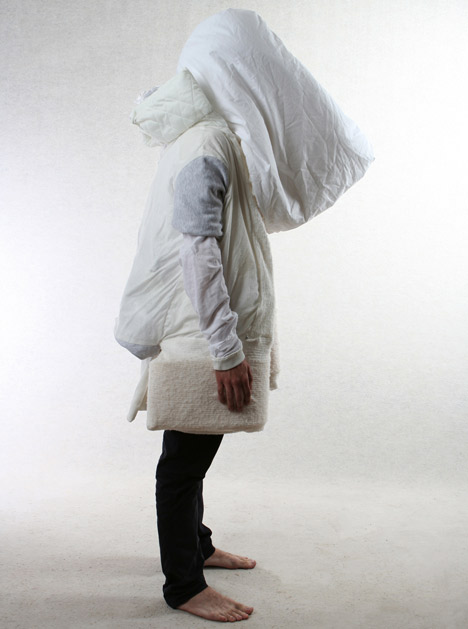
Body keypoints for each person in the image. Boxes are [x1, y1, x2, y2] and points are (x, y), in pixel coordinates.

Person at [114, 8, 374, 624]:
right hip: (199, 333)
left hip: (198, 327)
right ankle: (183, 584)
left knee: (195, 449)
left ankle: (197, 546)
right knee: (184, 462)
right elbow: (197, 249)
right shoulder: (208, 143)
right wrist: (226, 349)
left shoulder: (208, 135)